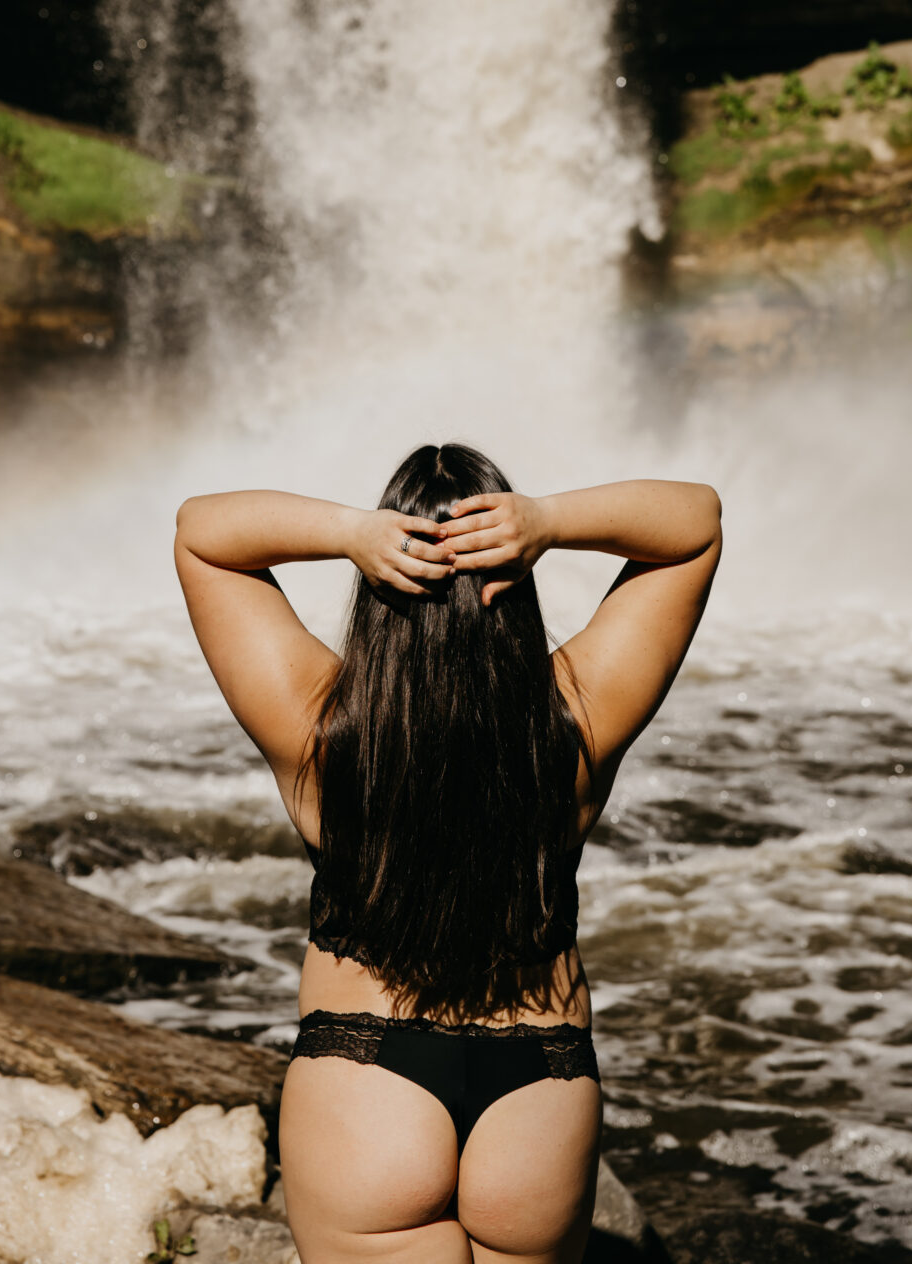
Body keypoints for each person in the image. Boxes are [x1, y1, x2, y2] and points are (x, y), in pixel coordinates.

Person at [175, 442, 722, 1264]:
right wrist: (548, 521)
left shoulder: (317, 731)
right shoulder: (576, 721)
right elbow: (695, 522)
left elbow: (201, 531)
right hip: (538, 1091)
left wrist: (352, 532)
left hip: (364, 1076)